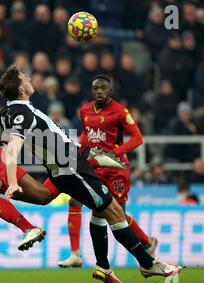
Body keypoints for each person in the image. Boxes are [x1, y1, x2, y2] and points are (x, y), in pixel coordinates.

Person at [0, 65, 182, 283]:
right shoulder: (22, 114)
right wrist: (13, 182)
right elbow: (12, 149)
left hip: (70, 163)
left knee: (99, 212)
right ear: (21, 90)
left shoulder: (5, 113)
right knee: (113, 210)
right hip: (70, 168)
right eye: (25, 78)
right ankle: (147, 263)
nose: (29, 79)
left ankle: (103, 266)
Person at [58, 75, 158, 269]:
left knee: (118, 215)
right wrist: (77, 151)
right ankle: (75, 254)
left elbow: (137, 139)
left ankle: (147, 243)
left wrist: (115, 153)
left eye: (103, 88)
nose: (100, 91)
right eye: (96, 88)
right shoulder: (85, 110)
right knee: (75, 200)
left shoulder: (120, 112)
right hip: (95, 167)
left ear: (110, 91)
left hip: (116, 169)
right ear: (92, 91)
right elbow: (88, 133)